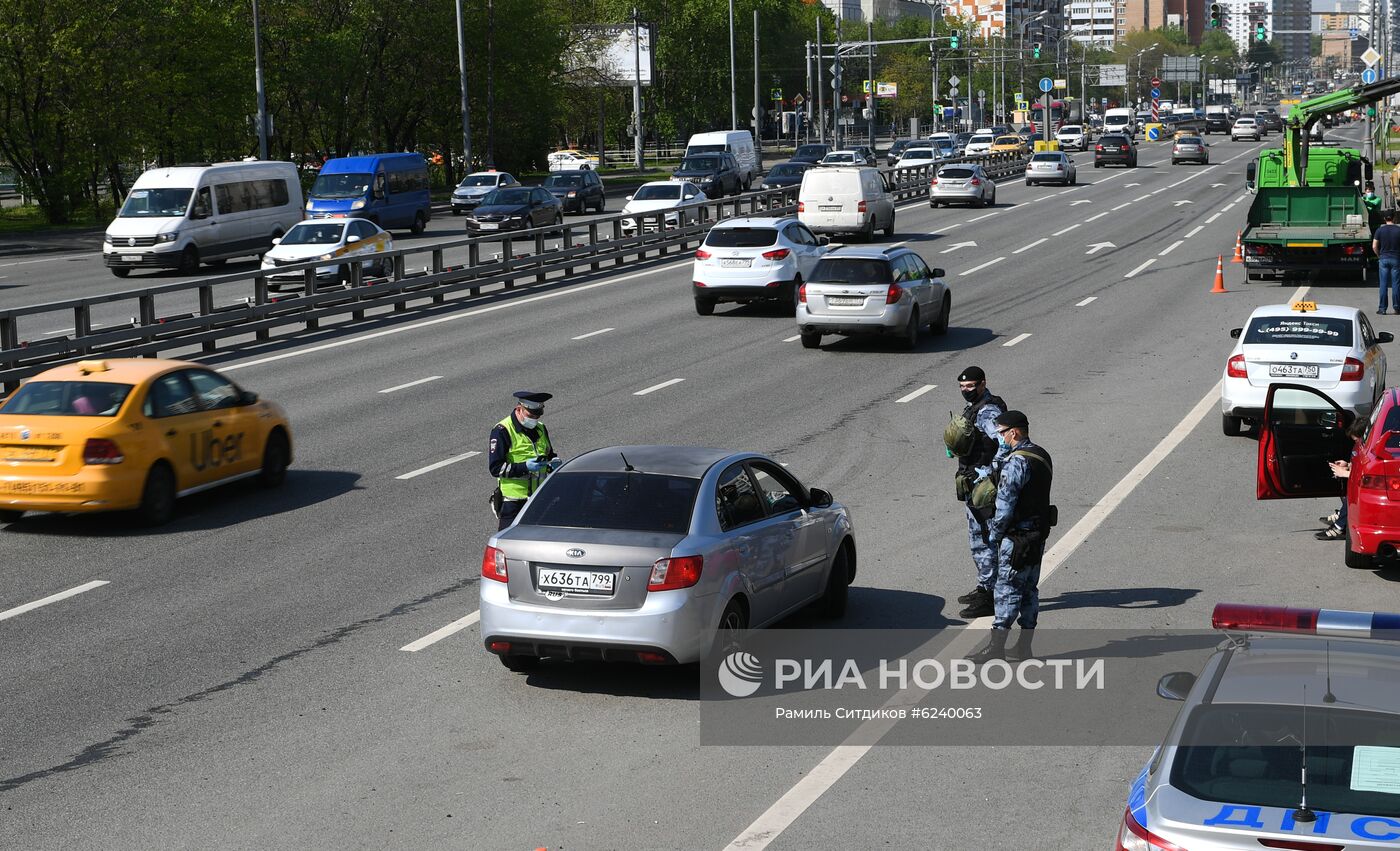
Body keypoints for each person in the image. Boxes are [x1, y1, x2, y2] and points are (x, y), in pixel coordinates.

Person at [968, 411, 1054, 664]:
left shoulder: (1016, 462)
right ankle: (1024, 647)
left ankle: (996, 648)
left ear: (1013, 432)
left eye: (1001, 432)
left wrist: (993, 536)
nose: (1000, 437)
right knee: (1029, 590)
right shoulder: (1041, 454)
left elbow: (1005, 505)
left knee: (1005, 592)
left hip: (1015, 537)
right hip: (1037, 534)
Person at [951, 366, 1008, 619]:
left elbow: (1006, 443)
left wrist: (987, 472)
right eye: (963, 387)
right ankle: (985, 587)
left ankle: (991, 596)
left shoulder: (988, 411)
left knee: (984, 540)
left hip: (984, 486)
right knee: (979, 539)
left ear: (983, 384)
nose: (966, 391)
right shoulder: (977, 408)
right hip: (974, 483)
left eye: (971, 386)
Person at [487, 391, 561, 530]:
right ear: (519, 409)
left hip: (539, 499)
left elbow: (549, 454)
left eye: (537, 416)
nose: (534, 419)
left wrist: (553, 462)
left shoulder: (540, 428)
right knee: (509, 544)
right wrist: (525, 467)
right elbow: (496, 468)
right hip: (514, 503)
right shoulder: (502, 430)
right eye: (531, 416)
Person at [1374, 210, 1400, 315]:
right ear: (1394, 218)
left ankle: (1382, 309)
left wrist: (1379, 255)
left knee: (1383, 284)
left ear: (1384, 219)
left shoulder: (1380, 230)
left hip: (1383, 259)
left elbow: (1374, 246)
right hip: (1396, 259)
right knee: (1396, 284)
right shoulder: (1399, 230)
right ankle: (1397, 308)